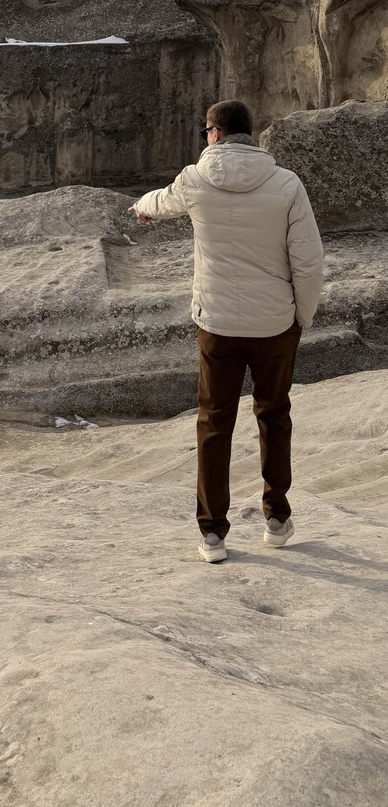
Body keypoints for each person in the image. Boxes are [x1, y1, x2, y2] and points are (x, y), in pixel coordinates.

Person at [129, 99, 323, 564]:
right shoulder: (286, 184)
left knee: (214, 421)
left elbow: (163, 202)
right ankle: (277, 518)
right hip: (275, 323)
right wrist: (304, 316)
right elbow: (309, 261)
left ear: (214, 133)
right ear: (248, 135)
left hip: (216, 324)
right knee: (274, 415)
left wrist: (141, 206)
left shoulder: (194, 180)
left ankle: (213, 534)